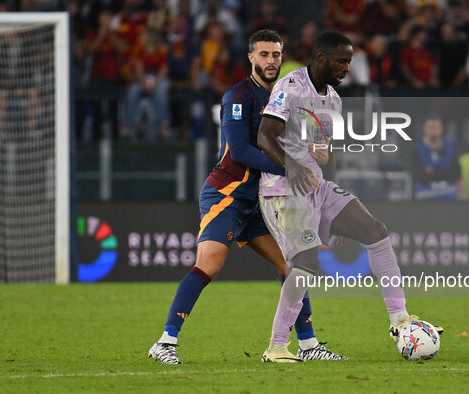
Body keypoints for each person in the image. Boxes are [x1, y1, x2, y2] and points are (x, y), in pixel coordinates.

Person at [148, 30, 346, 365]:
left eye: (276, 55)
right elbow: (239, 151)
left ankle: (309, 345)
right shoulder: (238, 96)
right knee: (209, 264)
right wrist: (294, 167)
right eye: (265, 55)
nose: (271, 61)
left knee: (291, 265)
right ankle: (166, 341)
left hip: (261, 200)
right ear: (251, 58)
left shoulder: (288, 96)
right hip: (228, 192)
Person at [256, 31, 442, 363]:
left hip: (316, 188)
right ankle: (276, 346)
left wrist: (333, 204)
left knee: (375, 231)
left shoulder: (333, 100)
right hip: (283, 191)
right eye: (341, 61)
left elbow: (331, 151)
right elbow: (265, 136)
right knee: (305, 266)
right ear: (321, 57)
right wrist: (293, 167)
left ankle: (400, 321)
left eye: (350, 62)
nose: (346, 69)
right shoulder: (291, 87)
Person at [411, 115, 461, 201]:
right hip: (424, 198)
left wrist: (433, 172)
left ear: (442, 128)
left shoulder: (451, 147)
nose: (433, 129)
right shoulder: (417, 150)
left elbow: (456, 174)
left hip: (449, 198)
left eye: (436, 126)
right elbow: (416, 175)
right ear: (424, 129)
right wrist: (444, 173)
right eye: (430, 127)